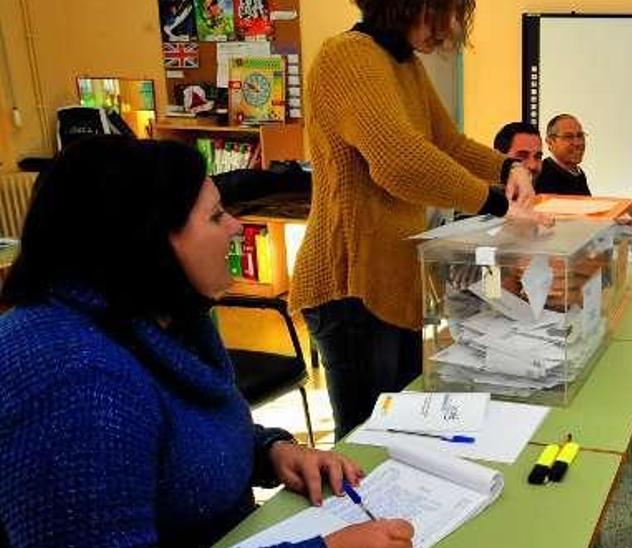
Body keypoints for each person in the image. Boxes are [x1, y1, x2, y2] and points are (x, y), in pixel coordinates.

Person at [0, 136, 412, 547]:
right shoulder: (76, 385)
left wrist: (272, 452)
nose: (235, 226)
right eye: (215, 217)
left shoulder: (165, 316)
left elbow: (187, 447)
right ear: (150, 240)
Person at [293, 0, 551, 438]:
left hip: (390, 277)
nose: (449, 28)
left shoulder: (405, 64)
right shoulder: (348, 56)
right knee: (366, 439)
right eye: (442, 12)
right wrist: (495, 200)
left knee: (402, 423)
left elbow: (447, 142)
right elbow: (401, 161)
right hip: (350, 282)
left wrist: (509, 169)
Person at [536, 113, 591, 196]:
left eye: (580, 135)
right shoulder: (542, 176)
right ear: (550, 142)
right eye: (568, 137)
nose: (577, 143)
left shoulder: (578, 174)